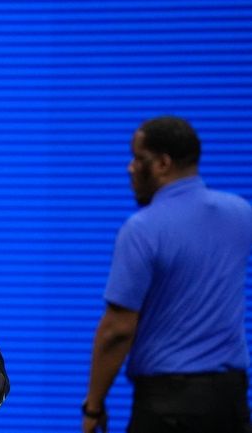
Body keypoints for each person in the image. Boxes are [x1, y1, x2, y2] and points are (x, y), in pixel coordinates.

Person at [82, 115, 252, 433]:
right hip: (231, 401)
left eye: (137, 158)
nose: (130, 167)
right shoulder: (242, 213)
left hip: (169, 406)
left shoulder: (142, 230)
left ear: (162, 163)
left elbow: (117, 330)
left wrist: (93, 405)